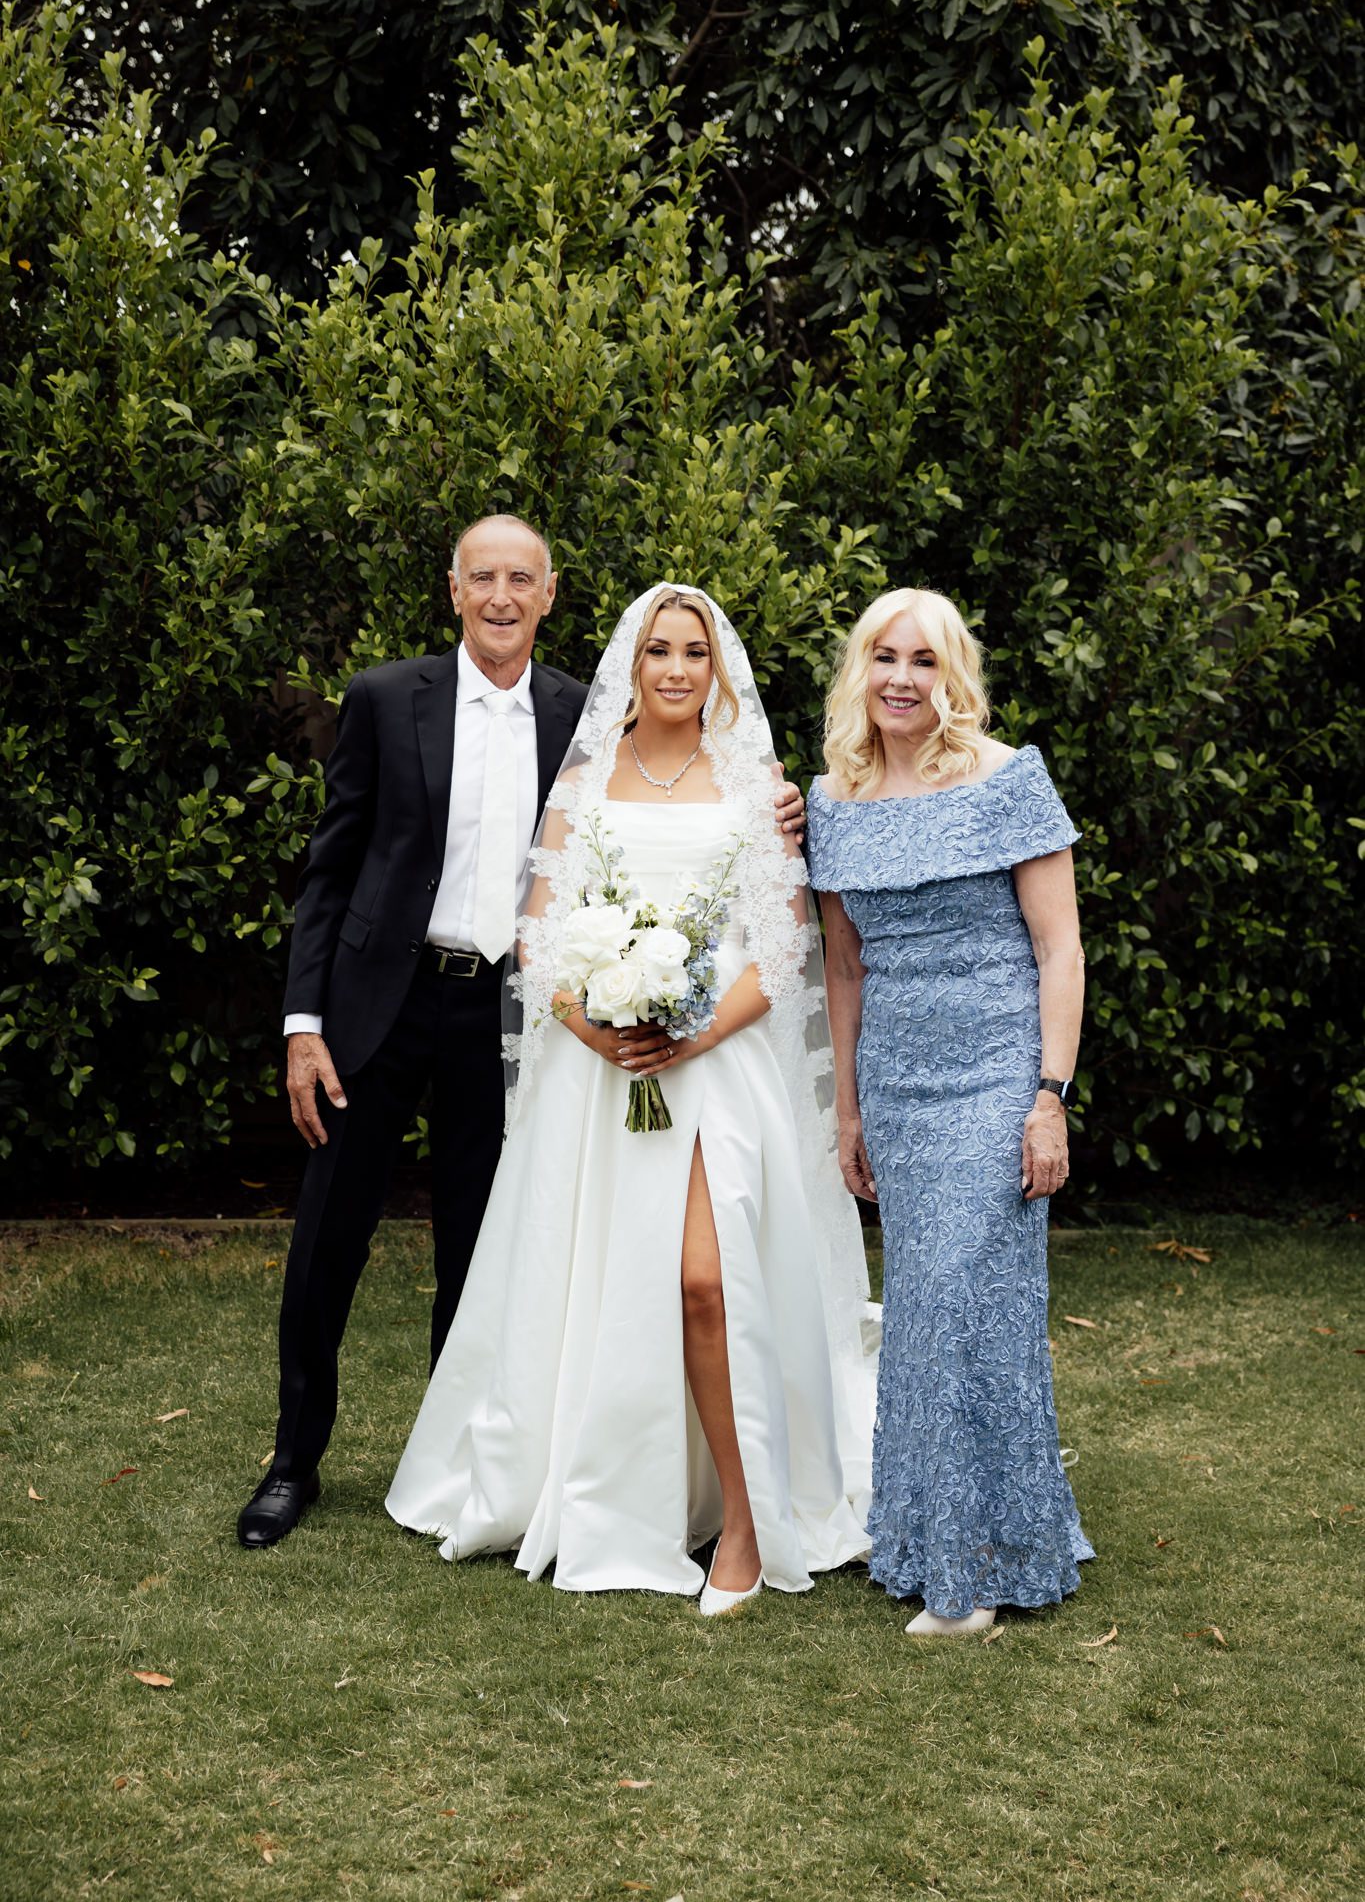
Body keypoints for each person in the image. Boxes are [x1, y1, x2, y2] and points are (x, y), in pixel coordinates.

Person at [238, 527, 805, 1551]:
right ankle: (292, 1460)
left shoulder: (582, 715)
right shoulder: (384, 697)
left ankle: (466, 1452)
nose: (501, 596)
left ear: (549, 595)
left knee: (483, 1242)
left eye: (520, 580)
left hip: (504, 1008)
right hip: (382, 999)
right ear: (455, 589)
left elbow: (677, 806)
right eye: (483, 578)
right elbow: (330, 866)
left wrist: (784, 811)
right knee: (329, 1235)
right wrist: (304, 1023)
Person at [385, 586, 875, 1609]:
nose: (677, 668)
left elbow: (781, 948)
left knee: (704, 1280)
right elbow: (537, 934)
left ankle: (747, 1522)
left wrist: (693, 1030)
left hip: (719, 1065)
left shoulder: (760, 788)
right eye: (659, 649)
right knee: (607, 1281)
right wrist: (600, 1024)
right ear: (632, 664)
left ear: (717, 670)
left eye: (696, 651)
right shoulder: (584, 781)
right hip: (599, 1076)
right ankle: (620, 1489)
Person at [805, 587, 1092, 1637]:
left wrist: (1049, 1096)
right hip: (897, 1080)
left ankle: (964, 1577)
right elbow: (844, 965)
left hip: (998, 1071)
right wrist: (848, 1110)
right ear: (859, 669)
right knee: (934, 1312)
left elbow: (1059, 947)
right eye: (884, 657)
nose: (901, 679)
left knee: (963, 1299)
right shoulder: (830, 800)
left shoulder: (1008, 778)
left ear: (952, 674)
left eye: (923, 660)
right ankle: (973, 1538)